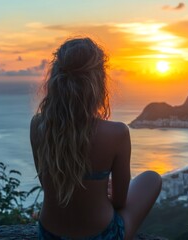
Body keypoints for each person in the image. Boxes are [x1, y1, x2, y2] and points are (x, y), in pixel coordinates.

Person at [30, 37, 162, 240]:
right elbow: (119, 203)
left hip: (48, 234)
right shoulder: (117, 133)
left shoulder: (38, 126)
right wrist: (101, 190)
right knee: (152, 178)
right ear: (98, 84)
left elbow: (47, 184)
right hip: (103, 235)